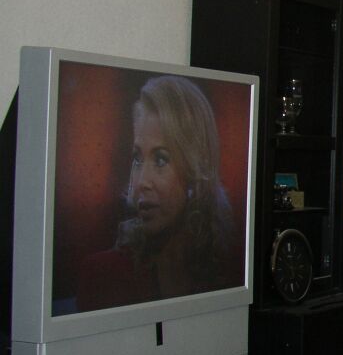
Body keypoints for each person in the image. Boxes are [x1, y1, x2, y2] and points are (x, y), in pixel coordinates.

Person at [77, 75, 239, 311]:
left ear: (196, 167)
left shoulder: (233, 269)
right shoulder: (102, 275)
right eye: (137, 158)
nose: (141, 182)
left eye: (161, 159)